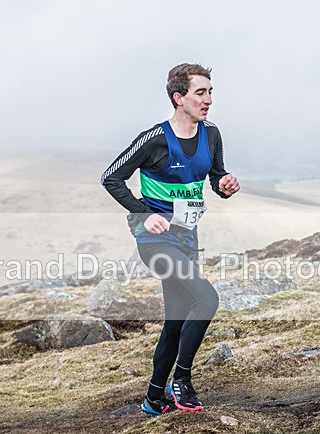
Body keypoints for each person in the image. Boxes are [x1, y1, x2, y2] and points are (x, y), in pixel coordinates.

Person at [101, 63, 240, 415]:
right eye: (200, 93)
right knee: (206, 299)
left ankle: (153, 398)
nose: (208, 99)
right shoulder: (156, 139)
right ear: (179, 98)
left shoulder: (211, 135)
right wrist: (144, 215)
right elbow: (111, 177)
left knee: (177, 319)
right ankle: (183, 379)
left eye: (210, 92)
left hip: (187, 239)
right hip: (156, 243)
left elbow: (214, 176)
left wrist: (223, 186)